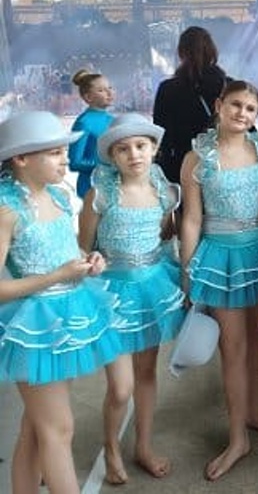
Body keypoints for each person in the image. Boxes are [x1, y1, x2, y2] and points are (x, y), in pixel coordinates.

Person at [0, 110, 121, 494]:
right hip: (36, 325)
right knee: (58, 429)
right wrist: (58, 276)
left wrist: (88, 261)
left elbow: (68, 252)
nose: (65, 160)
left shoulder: (58, 194)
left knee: (36, 428)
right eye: (54, 153)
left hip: (68, 317)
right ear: (21, 158)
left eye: (63, 151)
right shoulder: (7, 210)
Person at [179, 80, 258, 481]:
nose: (242, 113)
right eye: (236, 105)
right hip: (220, 257)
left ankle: (254, 411)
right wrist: (188, 272)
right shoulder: (197, 157)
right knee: (233, 348)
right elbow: (191, 219)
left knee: (255, 339)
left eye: (250, 108)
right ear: (220, 105)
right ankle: (237, 437)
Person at [78, 114, 184, 484]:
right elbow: (83, 247)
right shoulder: (100, 195)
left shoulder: (164, 192)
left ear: (154, 149)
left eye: (140, 146)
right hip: (112, 295)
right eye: (123, 149)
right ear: (113, 157)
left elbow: (165, 235)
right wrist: (93, 260)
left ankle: (143, 445)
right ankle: (111, 448)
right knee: (121, 387)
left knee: (146, 373)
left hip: (151, 288)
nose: (134, 154)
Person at [153, 26, 229, 183]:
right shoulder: (229, 86)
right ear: (213, 51)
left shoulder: (167, 89)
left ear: (181, 53)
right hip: (224, 163)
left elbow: (161, 134)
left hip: (181, 167)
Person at [69, 68, 115, 198]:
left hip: (114, 184)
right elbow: (74, 162)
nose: (109, 93)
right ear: (88, 97)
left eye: (110, 88)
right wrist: (108, 166)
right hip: (92, 187)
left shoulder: (113, 120)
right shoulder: (84, 123)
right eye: (101, 90)